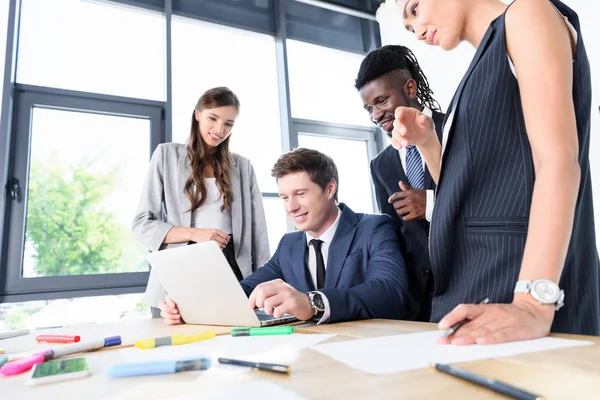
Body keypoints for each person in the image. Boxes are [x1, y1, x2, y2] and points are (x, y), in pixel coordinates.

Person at [394, 0, 599, 343]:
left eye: (414, 9)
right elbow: (466, 194)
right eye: (408, 27)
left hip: (520, 295)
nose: (416, 30)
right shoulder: (480, 69)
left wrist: (534, 303)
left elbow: (559, 161)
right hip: (475, 294)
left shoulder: (527, 13)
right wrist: (428, 142)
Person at [159, 148, 410, 325]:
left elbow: (390, 291)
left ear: (330, 188)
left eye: (300, 194)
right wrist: (189, 304)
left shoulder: (375, 228)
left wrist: (313, 303)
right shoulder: (289, 244)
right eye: (284, 197)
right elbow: (246, 290)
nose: (291, 207)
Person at [132, 87, 270, 317]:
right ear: (197, 114)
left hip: (232, 267)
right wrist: (196, 234)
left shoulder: (243, 167)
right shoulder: (166, 155)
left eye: (228, 123)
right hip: (181, 267)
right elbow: (142, 224)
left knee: (236, 341)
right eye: (213, 118)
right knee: (179, 346)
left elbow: (260, 236)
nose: (219, 130)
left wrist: (263, 281)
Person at [355, 45, 444, 321]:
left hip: (472, 282)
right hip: (417, 302)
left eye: (381, 101)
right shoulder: (380, 164)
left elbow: (490, 198)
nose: (375, 115)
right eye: (369, 108)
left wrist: (430, 202)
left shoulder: (456, 126)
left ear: (410, 88)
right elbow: (393, 234)